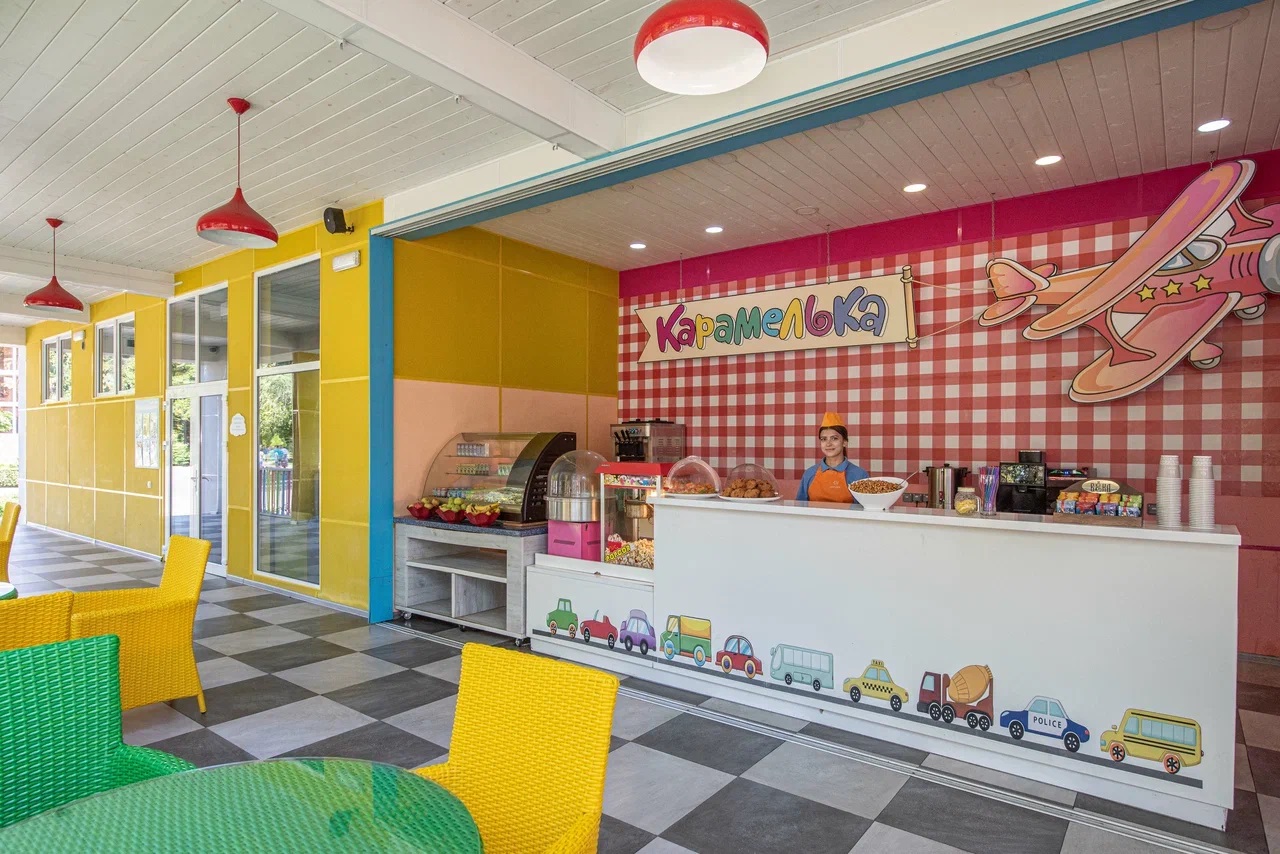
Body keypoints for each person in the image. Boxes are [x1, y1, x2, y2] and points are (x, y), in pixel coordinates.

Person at [796, 412, 869, 503]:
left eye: (834, 438)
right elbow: (799, 507)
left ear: (845, 442)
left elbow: (866, 509)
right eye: (824, 439)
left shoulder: (859, 475)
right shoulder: (809, 473)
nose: (828, 444)